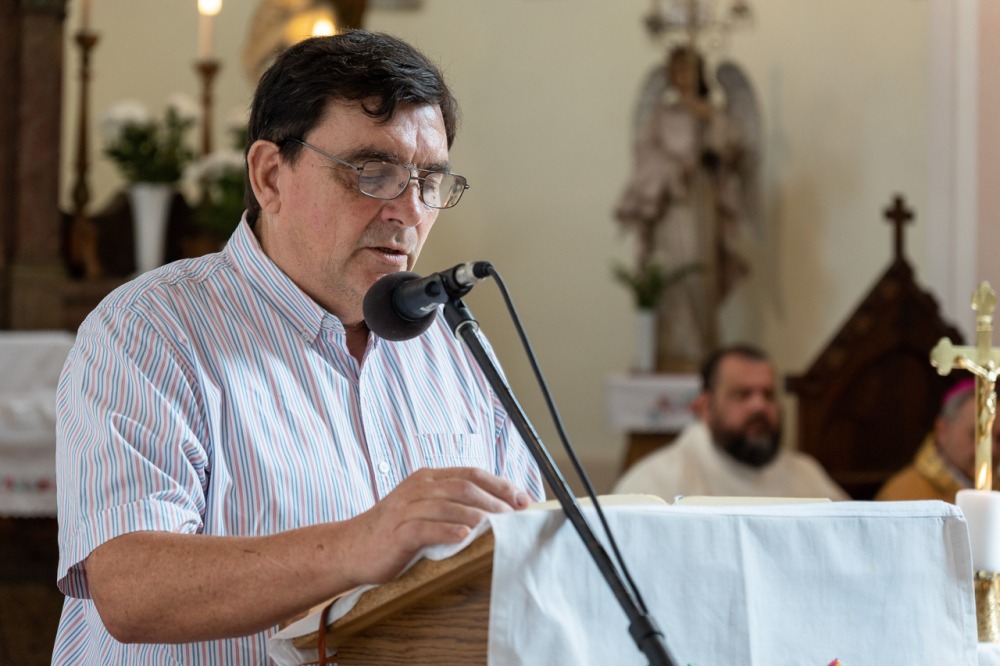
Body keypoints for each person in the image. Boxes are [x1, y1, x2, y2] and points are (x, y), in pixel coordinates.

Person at [53, 31, 544, 664]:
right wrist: (361, 544)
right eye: (373, 173)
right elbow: (131, 588)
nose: (407, 210)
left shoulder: (455, 347)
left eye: (429, 181)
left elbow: (523, 560)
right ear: (269, 176)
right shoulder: (149, 330)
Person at [615, 45, 752, 372]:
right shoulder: (661, 116)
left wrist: (709, 117)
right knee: (674, 273)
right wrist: (674, 169)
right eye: (676, 71)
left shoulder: (711, 113)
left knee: (701, 272)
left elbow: (734, 149)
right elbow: (645, 157)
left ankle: (702, 349)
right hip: (671, 204)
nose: (682, 77)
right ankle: (673, 350)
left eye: (688, 70)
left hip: (702, 201)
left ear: (699, 74)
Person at [613, 344, 848, 500]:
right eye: (743, 395)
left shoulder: (806, 475)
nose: (759, 406)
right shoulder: (657, 482)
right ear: (705, 407)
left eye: (768, 394)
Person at [876, 379, 1000, 503]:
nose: (992, 450)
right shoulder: (901, 497)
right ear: (942, 430)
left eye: (999, 438)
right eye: (978, 436)